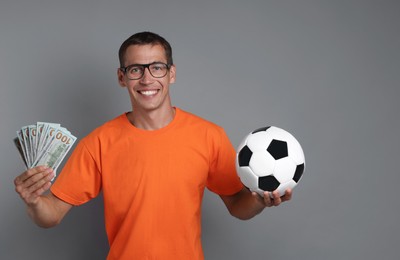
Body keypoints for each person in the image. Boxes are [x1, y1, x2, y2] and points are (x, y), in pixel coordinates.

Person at [14, 31, 292, 259]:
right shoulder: (98, 143)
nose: (147, 79)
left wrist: (258, 201)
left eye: (156, 67)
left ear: (171, 73)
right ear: (122, 78)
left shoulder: (209, 136)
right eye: (136, 69)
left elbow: (237, 206)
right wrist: (35, 202)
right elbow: (51, 216)